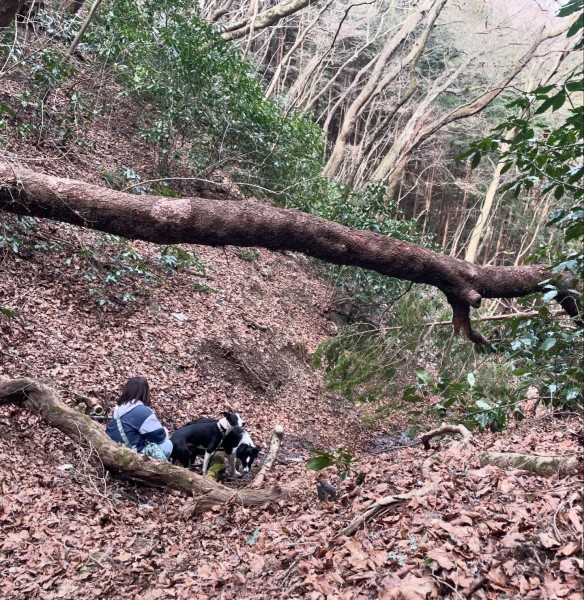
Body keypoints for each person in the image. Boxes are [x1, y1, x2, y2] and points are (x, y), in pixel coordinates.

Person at [105, 376, 172, 461]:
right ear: (145, 393)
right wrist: (165, 431)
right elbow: (160, 437)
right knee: (168, 444)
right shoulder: (143, 412)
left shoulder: (118, 409)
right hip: (132, 456)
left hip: (113, 451)